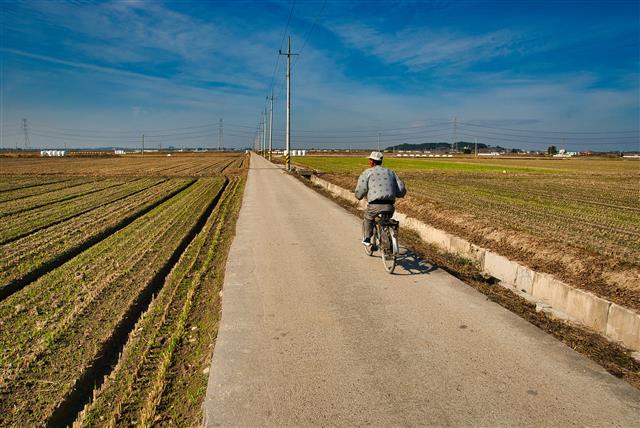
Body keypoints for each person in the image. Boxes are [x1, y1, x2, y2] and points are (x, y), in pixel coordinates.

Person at [354, 151, 406, 246]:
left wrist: (358, 196)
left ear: (372, 162)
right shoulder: (391, 172)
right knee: (386, 219)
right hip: (389, 206)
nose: (369, 162)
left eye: (370, 160)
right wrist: (399, 194)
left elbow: (361, 189)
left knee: (368, 217)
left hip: (375, 205)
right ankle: (387, 237)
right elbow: (401, 188)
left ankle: (367, 238)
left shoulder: (367, 172)